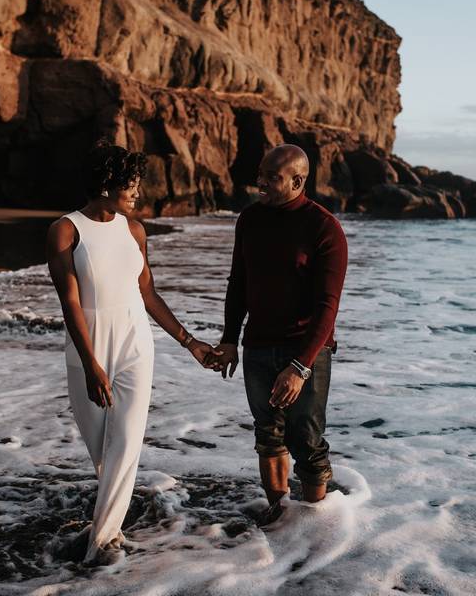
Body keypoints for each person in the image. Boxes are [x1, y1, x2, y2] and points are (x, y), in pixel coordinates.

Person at [46, 144, 219, 565]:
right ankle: (112, 530)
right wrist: (91, 365)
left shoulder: (135, 230)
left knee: (125, 446)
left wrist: (189, 341)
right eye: (132, 185)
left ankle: (101, 548)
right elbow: (70, 303)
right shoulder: (65, 231)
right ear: (107, 184)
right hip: (88, 348)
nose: (138, 193)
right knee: (103, 453)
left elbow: (147, 292)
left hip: (135, 345)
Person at [208, 144, 348, 523]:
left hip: (306, 351)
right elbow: (238, 283)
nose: (260, 184)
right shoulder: (250, 220)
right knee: (267, 435)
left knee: (306, 442)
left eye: (272, 177)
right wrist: (229, 339)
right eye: (261, 175)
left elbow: (328, 307)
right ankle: (279, 515)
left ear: (298, 181)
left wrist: (300, 367)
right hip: (257, 347)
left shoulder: (324, 228)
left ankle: (315, 526)